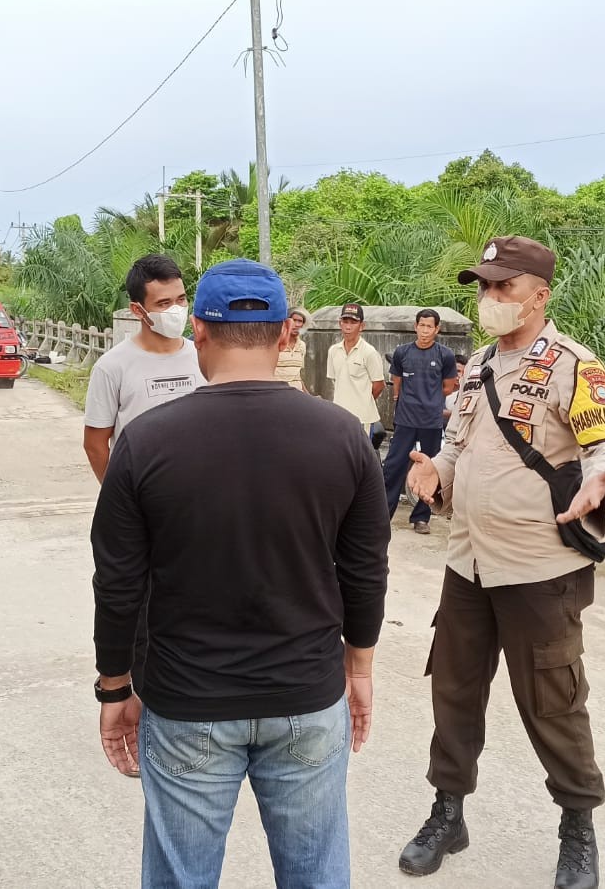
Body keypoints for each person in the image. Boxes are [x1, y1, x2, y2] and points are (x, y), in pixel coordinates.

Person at [92, 258, 388, 888]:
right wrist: (358, 668)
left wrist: (116, 686)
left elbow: (118, 583)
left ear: (196, 329)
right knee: (317, 878)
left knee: (181, 879)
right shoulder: (342, 437)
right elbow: (365, 571)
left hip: (187, 698)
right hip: (306, 695)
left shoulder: (145, 441)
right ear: (287, 335)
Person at [403, 236, 605, 889]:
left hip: (539, 567)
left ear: (539, 294)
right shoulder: (475, 365)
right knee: (453, 689)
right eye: (484, 286)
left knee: (553, 701)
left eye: (503, 287)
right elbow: (455, 447)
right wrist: (433, 473)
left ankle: (578, 829)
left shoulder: (573, 365)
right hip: (467, 561)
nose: (489, 298)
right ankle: (448, 811)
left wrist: (601, 480)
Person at [83, 254, 205, 482]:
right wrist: (120, 498)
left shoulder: (204, 357)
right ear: (138, 310)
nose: (177, 310)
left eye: (181, 299)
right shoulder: (111, 367)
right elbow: (95, 445)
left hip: (200, 497)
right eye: (163, 303)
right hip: (144, 498)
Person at [384, 309, 459, 534]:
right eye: (422, 325)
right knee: (393, 467)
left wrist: (430, 401)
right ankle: (383, 513)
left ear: (437, 329)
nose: (425, 330)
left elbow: (447, 387)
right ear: (415, 326)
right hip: (405, 420)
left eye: (430, 326)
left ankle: (421, 518)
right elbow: (396, 383)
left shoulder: (445, 355)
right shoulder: (402, 352)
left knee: (431, 470)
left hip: (431, 422)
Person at [326, 302, 385, 441]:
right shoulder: (334, 351)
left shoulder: (369, 352)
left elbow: (379, 384)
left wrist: (362, 400)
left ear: (361, 326)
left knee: (360, 458)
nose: (348, 326)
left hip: (362, 418)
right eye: (345, 321)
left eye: (353, 322)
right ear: (339, 323)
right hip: (339, 415)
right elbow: (336, 381)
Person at [275, 306, 310, 390]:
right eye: (294, 320)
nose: (297, 325)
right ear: (287, 322)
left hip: (297, 395)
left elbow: (297, 375)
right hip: (279, 392)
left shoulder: (302, 346)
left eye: (300, 321)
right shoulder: (276, 344)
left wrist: (309, 396)